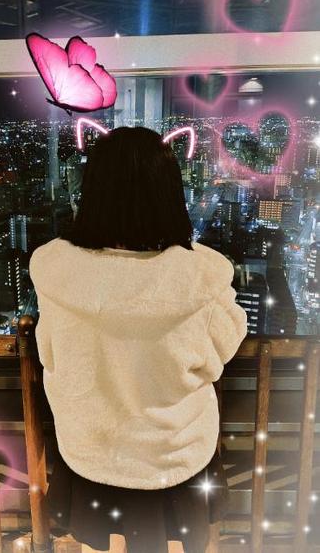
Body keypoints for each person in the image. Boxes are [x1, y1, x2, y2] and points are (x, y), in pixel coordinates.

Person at [29, 126, 248, 552]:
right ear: (168, 193)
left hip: (90, 451)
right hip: (173, 453)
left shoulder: (56, 273)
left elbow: (49, 352)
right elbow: (224, 343)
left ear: (93, 191)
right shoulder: (199, 279)